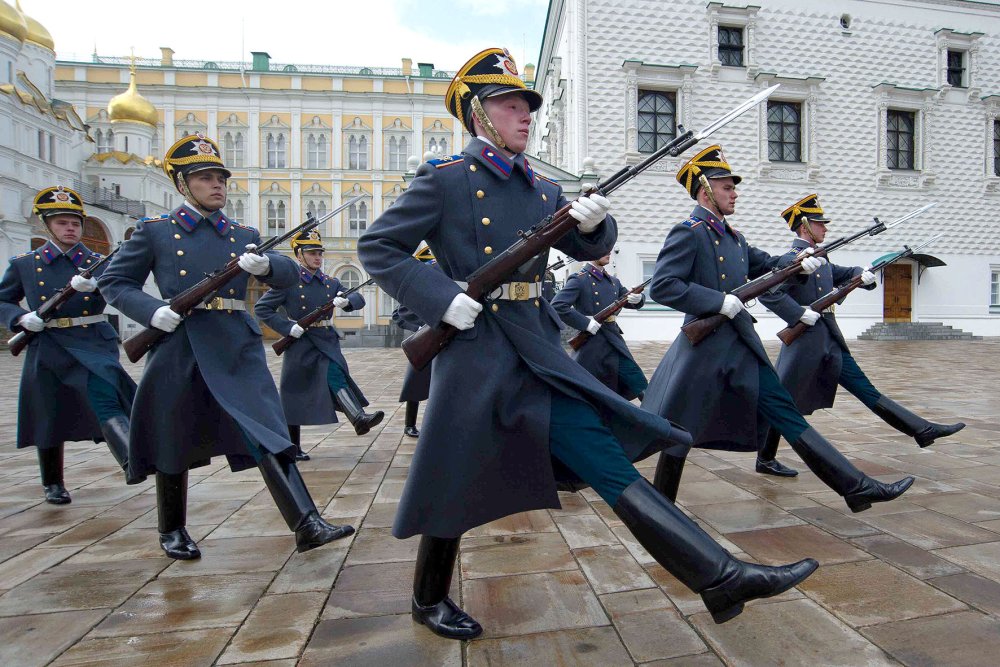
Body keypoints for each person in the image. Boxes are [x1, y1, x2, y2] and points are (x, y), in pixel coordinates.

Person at [359, 47, 817, 639]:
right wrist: (441, 298)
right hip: (476, 352)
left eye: (527, 104)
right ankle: (428, 597)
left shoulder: (538, 186)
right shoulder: (445, 179)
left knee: (604, 458)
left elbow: (586, 246)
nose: (524, 114)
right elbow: (379, 247)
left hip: (538, 351)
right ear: (478, 115)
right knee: (453, 474)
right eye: (509, 104)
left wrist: (595, 221)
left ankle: (721, 576)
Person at [98, 134, 353, 560]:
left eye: (220, 177)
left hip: (236, 344)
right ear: (182, 184)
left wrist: (267, 265)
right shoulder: (155, 232)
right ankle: (172, 529)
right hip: (181, 343)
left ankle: (306, 522)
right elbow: (115, 282)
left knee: (268, 428)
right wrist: (151, 311)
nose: (216, 184)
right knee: (173, 434)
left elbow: (289, 275)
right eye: (204, 178)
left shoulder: (242, 234)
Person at [641, 145, 914, 512]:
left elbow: (769, 265)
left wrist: (799, 261)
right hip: (704, 349)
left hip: (740, 345)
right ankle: (660, 506)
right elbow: (663, 286)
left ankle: (855, 486)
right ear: (705, 191)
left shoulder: (734, 238)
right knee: (680, 427)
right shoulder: (689, 232)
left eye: (733, 188)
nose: (735, 194)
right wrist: (717, 301)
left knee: (784, 411)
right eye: (727, 188)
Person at [754, 194, 965, 476]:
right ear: (804, 227)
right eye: (819, 223)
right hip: (804, 342)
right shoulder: (791, 259)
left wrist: (863, 275)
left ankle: (921, 429)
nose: (825, 228)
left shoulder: (820, 257)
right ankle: (765, 458)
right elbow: (769, 293)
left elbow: (843, 273)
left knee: (866, 390)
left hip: (830, 339)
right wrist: (798, 314)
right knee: (783, 403)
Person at [0, 186, 137, 503]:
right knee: (47, 411)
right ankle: (53, 482)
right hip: (48, 343)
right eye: (62, 223)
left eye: (75, 223)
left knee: (106, 398)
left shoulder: (98, 263)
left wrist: (96, 286)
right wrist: (21, 318)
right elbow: (3, 300)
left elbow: (121, 291)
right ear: (47, 225)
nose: (70, 228)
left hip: (91, 342)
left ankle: (132, 461)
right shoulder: (26, 263)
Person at [255, 228, 383, 451]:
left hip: (325, 340)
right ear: (299, 255)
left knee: (335, 372)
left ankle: (358, 417)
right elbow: (262, 308)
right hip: (301, 342)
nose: (317, 257)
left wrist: (347, 301)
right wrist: (287, 327)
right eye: (312, 253)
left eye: (319, 253)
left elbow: (358, 297)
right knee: (294, 395)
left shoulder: (330, 283)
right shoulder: (289, 282)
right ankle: (294, 446)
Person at [551, 252, 648, 400]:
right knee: (588, 390)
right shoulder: (580, 279)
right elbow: (558, 306)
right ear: (592, 251)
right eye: (603, 249)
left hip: (614, 340)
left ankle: (655, 412)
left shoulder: (614, 281)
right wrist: (586, 323)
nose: (608, 252)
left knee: (639, 383)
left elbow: (628, 300)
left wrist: (639, 299)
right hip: (592, 344)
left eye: (609, 249)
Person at [390, 245, 436, 439]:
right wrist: (420, 327)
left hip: (445, 340)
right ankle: (410, 424)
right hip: (424, 342)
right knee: (415, 384)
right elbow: (400, 314)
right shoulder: (415, 289)